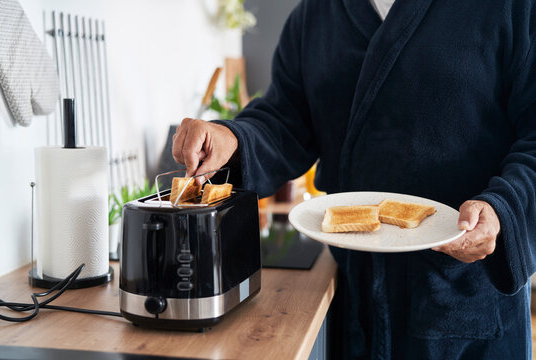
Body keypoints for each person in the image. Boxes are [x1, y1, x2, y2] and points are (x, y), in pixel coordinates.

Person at [172, 0, 536, 358]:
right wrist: (230, 140)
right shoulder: (316, 15)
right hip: (351, 295)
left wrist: (503, 211)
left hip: (466, 301)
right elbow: (284, 119)